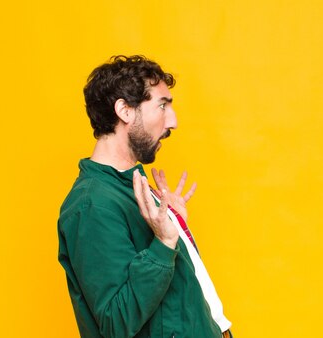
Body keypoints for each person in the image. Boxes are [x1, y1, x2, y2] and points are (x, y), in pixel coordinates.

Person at [57, 55, 232, 338]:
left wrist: (178, 229)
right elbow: (116, 323)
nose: (172, 122)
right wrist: (163, 243)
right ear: (125, 111)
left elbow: (176, 303)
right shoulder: (91, 205)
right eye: (162, 105)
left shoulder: (135, 188)